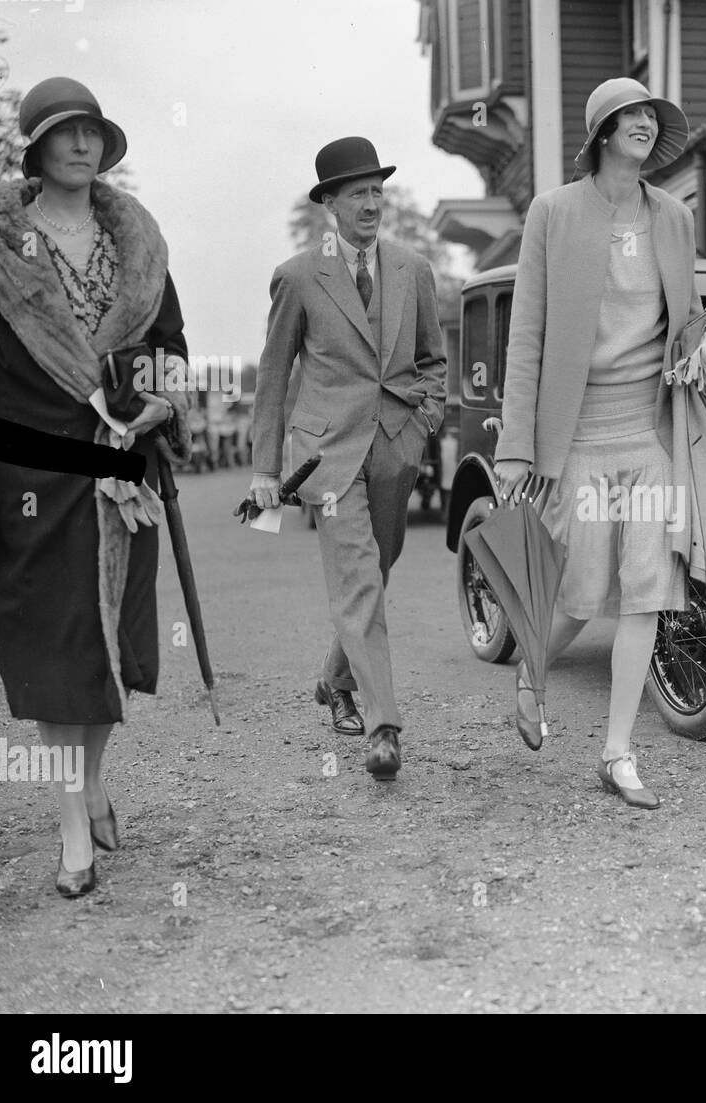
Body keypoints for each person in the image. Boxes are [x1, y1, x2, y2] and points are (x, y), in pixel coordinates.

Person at [0, 77, 192, 897]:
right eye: (64, 132)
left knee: (111, 648)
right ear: (35, 148)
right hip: (32, 470)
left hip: (120, 473)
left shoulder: (138, 242)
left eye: (93, 131)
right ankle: (73, 831)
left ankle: (93, 779)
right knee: (53, 649)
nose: (81, 144)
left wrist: (162, 404)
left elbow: (172, 341)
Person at [494, 78, 701, 810]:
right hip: (576, 435)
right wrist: (516, 447)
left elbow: (688, 321)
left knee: (646, 591)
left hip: (650, 433)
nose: (645, 123)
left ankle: (618, 753)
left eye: (652, 115)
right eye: (632, 115)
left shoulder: (674, 218)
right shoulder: (553, 212)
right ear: (603, 133)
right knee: (580, 591)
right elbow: (526, 338)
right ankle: (531, 671)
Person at [249, 137, 447, 779]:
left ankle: (334, 678)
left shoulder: (414, 269)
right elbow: (274, 378)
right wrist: (265, 471)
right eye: (357, 192)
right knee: (360, 577)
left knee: (379, 566)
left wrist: (422, 423)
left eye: (377, 189)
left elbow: (433, 363)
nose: (371, 202)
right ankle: (384, 727)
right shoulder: (299, 276)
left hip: (394, 448)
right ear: (329, 202)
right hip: (326, 458)